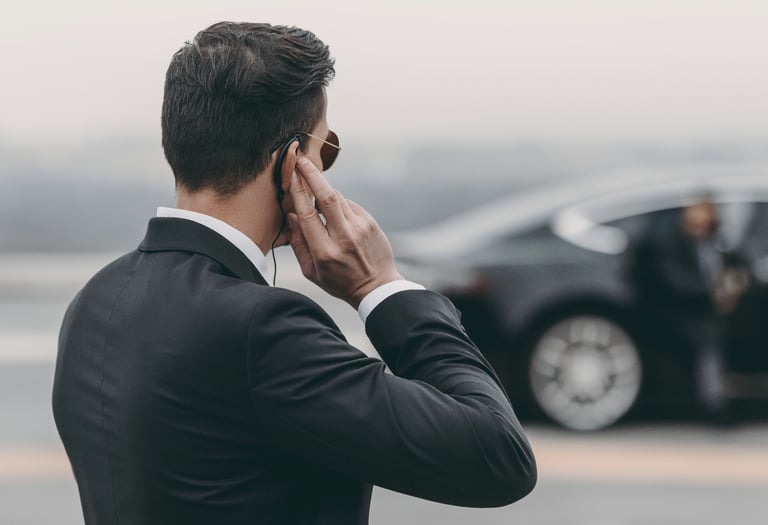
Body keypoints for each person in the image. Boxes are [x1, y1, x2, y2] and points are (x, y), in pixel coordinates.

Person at [51, 22, 536, 525]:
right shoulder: (260, 329)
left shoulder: (95, 302)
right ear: (292, 163)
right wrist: (381, 287)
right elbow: (498, 457)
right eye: (325, 151)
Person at [628, 197, 749, 419]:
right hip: (681, 311)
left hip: (715, 309)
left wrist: (736, 282)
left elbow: (741, 266)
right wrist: (715, 292)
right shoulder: (670, 241)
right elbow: (675, 282)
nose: (703, 217)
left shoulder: (717, 241)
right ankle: (714, 402)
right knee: (708, 336)